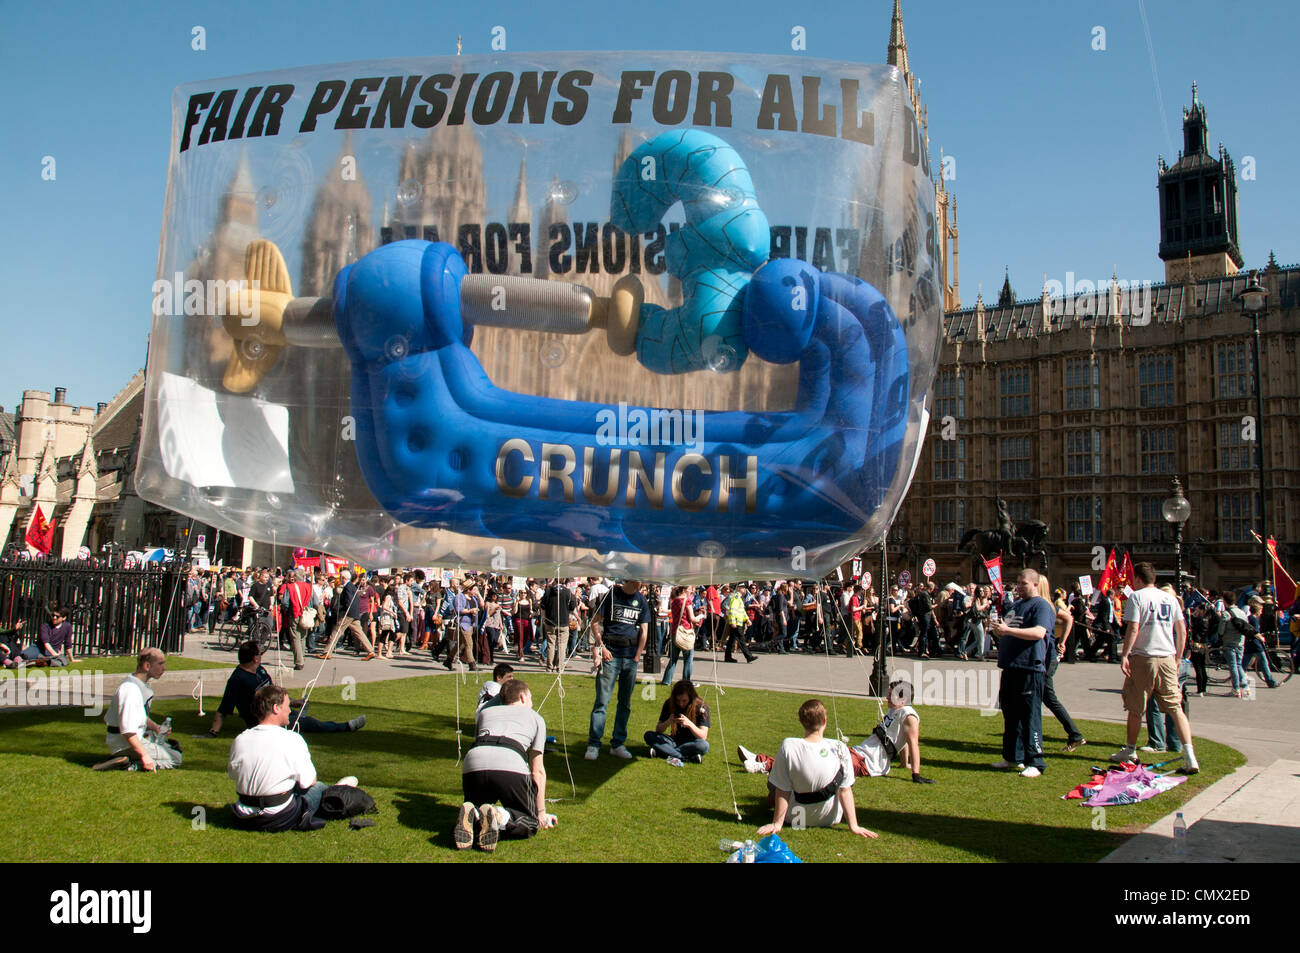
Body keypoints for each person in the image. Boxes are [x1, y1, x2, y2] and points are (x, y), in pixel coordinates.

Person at [741, 679, 935, 784]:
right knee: (818, 753)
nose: (886, 696)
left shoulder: (909, 715)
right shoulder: (896, 711)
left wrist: (915, 774)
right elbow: (900, 742)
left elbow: (912, 743)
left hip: (867, 762)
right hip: (859, 753)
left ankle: (764, 764)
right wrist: (905, 763)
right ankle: (761, 760)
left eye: (891, 693)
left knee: (817, 761)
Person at [227, 683, 359, 832]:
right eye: (287, 706)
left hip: (243, 815)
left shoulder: (240, 739)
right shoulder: (292, 739)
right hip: (278, 816)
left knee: (293, 786)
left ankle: (334, 790)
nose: (290, 710)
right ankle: (337, 789)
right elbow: (309, 782)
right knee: (318, 787)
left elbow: (233, 775)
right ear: (276, 708)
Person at [1109, 562, 1200, 773]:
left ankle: (1130, 750)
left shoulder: (1137, 597)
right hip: (1167, 656)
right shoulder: (1170, 598)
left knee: (1135, 707)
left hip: (1144, 656)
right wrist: (1177, 657)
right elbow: (1182, 630)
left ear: (1139, 579)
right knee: (1175, 707)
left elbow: (1133, 628)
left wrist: (1124, 654)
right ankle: (1189, 754)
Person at [455, 678, 556, 851]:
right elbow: (537, 771)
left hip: (474, 762)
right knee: (529, 823)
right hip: (509, 761)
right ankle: (498, 815)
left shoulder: (485, 713)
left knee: (478, 808)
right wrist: (541, 813)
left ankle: (476, 812)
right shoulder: (536, 718)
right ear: (523, 697)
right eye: (531, 698)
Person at [753, 699, 877, 839]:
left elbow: (783, 789)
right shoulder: (839, 747)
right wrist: (854, 826)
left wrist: (777, 823)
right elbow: (845, 789)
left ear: (801, 721)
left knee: (773, 783)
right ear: (824, 721)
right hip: (830, 818)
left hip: (797, 820)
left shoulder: (789, 745)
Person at [206, 641, 365, 735]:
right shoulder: (238, 679)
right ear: (255, 658)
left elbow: (273, 692)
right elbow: (224, 709)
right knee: (313, 724)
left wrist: (294, 702)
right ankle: (346, 726)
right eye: (260, 654)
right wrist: (213, 732)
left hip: (279, 710)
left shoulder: (260, 670)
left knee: (300, 715)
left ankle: (298, 713)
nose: (262, 656)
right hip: (266, 720)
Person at [989, 569, 1055, 777]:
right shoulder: (1017, 605)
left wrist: (1007, 631)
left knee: (1029, 716)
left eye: (1023, 583)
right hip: (1011, 666)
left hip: (1029, 667)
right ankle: (1012, 757)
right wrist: (998, 629)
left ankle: (1035, 761)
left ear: (1035, 584)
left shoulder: (1041, 606)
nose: (1019, 587)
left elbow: (1039, 632)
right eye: (1017, 583)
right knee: (1010, 714)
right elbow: (1008, 627)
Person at [585, 578, 650, 760]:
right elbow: (595, 622)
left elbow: (644, 630)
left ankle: (618, 743)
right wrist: (602, 647)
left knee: (625, 703)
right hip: (611, 654)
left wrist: (638, 655)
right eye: (639, 581)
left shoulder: (642, 601)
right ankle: (594, 744)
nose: (642, 584)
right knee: (602, 702)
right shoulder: (612, 595)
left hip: (630, 656)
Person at [92, 648, 182, 771]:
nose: (164, 668)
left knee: (172, 748)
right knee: (175, 758)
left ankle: (126, 759)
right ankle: (129, 765)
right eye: (160, 663)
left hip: (133, 738)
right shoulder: (130, 689)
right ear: (147, 666)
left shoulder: (139, 686)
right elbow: (127, 730)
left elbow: (139, 716)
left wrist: (156, 727)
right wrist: (144, 755)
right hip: (124, 744)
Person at [1041, 581, 1085, 752]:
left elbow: (1069, 618)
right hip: (1047, 653)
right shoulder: (1047, 605)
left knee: (1048, 696)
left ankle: (1075, 734)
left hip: (1049, 654)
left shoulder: (1050, 606)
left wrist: (1062, 641)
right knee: (1044, 696)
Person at [643, 679, 710, 765]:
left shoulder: (701, 707)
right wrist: (668, 721)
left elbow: (703, 736)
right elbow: (658, 729)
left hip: (691, 742)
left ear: (691, 698)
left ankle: (662, 752)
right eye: (678, 701)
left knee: (704, 746)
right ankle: (684, 757)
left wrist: (689, 724)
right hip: (673, 740)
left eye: (684, 701)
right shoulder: (669, 703)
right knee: (649, 735)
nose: (681, 704)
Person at [316, 570, 377, 660]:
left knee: (336, 631)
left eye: (340, 577)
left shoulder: (348, 587)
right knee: (359, 633)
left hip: (348, 614)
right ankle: (370, 651)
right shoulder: (352, 586)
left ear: (343, 578)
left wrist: (344, 613)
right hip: (354, 614)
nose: (339, 579)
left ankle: (327, 652)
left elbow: (349, 601)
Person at [662, 585, 703, 684]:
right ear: (684, 590)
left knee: (673, 659)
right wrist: (700, 617)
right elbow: (692, 618)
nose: (691, 591)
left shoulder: (674, 601)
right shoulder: (687, 601)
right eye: (690, 589)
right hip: (685, 632)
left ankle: (667, 680)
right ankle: (686, 681)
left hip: (675, 632)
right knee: (688, 659)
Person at [1241, 598, 1279, 689]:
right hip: (1256, 645)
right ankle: (1271, 682)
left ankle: (1238, 677)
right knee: (1264, 663)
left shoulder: (1250, 618)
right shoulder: (1254, 619)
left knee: (1244, 664)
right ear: (1257, 611)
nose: (1261, 612)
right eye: (1261, 610)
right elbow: (1255, 632)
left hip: (1250, 644)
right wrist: (1261, 638)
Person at [541, 579, 573, 673]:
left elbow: (543, 605)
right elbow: (572, 606)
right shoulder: (568, 592)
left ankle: (549, 666)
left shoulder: (548, 590)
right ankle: (559, 666)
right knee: (562, 645)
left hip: (550, 621)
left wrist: (544, 617)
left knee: (551, 644)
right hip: (563, 622)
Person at [723, 585, 755, 663]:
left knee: (732, 640)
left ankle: (728, 657)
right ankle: (748, 656)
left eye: (744, 588)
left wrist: (747, 619)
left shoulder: (739, 598)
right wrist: (733, 622)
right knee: (741, 640)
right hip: (736, 623)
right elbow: (732, 610)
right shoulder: (736, 597)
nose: (744, 589)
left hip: (738, 622)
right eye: (742, 587)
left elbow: (742, 611)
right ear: (738, 588)